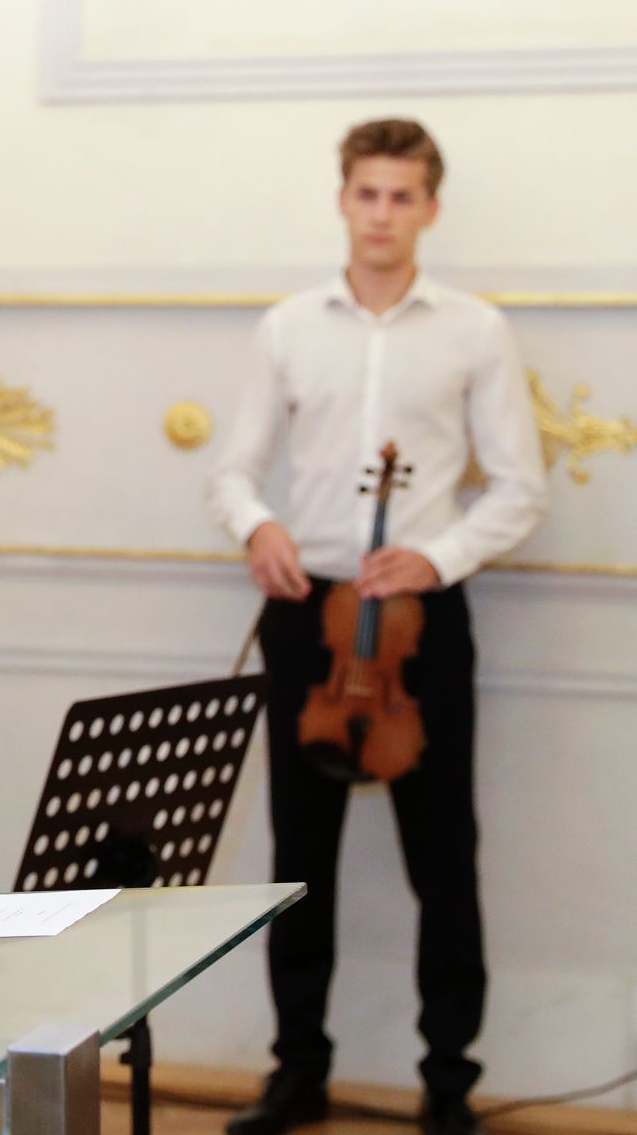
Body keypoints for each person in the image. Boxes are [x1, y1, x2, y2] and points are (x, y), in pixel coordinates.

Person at [208, 118, 547, 1135]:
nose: (381, 215)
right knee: (294, 857)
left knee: (441, 855)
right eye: (366, 194)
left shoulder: (474, 331)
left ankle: (446, 1082)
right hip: (306, 614)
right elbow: (231, 467)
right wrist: (255, 523)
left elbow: (519, 488)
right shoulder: (285, 327)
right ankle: (295, 1071)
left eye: (402, 197)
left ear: (428, 210)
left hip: (417, 624)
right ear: (342, 199)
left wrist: (434, 556)